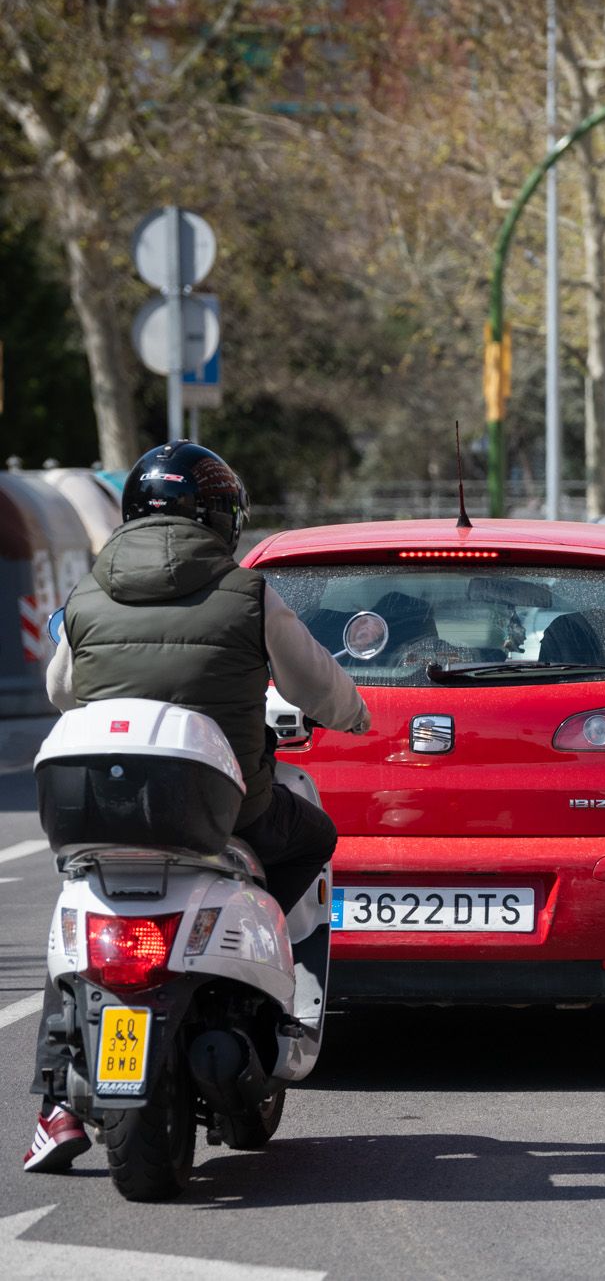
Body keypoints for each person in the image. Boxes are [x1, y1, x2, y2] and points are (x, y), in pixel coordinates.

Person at [25, 441, 370, 1174]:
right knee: (314, 837)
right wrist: (357, 715)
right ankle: (272, 960)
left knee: (76, 931)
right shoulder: (249, 594)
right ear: (222, 519)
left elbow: (60, 689)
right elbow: (316, 686)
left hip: (102, 805)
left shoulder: (86, 593)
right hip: (222, 806)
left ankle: (53, 1107)